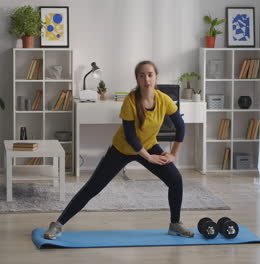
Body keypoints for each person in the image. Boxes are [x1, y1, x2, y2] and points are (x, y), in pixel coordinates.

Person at [44, 60, 193, 239]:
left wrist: (173, 154)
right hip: (122, 149)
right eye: (142, 75)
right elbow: (130, 137)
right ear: (137, 79)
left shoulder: (163, 99)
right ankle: (58, 224)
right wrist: (149, 158)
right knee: (93, 187)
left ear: (156, 77)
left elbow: (180, 126)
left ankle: (175, 224)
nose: (147, 79)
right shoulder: (131, 100)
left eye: (150, 75)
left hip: (149, 146)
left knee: (175, 179)